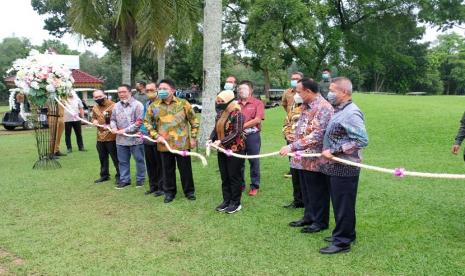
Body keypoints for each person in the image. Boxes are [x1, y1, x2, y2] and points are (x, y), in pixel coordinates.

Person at [319, 77, 368, 254]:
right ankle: (346, 233)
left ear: (345, 92)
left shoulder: (352, 113)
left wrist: (335, 150)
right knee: (341, 204)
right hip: (335, 166)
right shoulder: (339, 110)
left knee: (344, 204)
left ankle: (342, 242)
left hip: (345, 167)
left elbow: (362, 140)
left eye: (333, 90)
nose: (329, 93)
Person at [279, 78, 334, 235]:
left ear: (308, 91)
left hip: (315, 159)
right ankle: (309, 217)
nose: (296, 94)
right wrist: (291, 136)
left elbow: (317, 135)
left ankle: (320, 222)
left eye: (299, 91)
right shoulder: (304, 106)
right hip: (302, 158)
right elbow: (301, 127)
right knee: (307, 190)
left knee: (318, 191)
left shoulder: (323, 107)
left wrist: (292, 146)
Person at [144, 79, 199, 203]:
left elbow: (194, 121)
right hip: (164, 144)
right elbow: (147, 122)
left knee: (185, 169)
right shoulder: (154, 106)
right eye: (160, 88)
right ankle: (169, 192)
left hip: (182, 143)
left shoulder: (183, 103)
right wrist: (156, 136)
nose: (161, 91)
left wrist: (194, 138)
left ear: (172, 90)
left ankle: (189, 191)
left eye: (165, 88)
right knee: (167, 169)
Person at [210, 90, 246, 214]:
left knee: (234, 177)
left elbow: (237, 132)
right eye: (218, 101)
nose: (219, 104)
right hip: (222, 150)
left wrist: (221, 142)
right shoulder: (220, 114)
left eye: (222, 101)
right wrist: (211, 139)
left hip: (235, 150)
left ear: (230, 100)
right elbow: (216, 129)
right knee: (224, 176)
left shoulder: (238, 114)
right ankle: (226, 201)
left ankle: (235, 203)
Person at [110, 84, 146, 189]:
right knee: (122, 161)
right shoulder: (116, 105)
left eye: (124, 91)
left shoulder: (138, 105)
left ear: (130, 92)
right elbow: (112, 119)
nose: (121, 94)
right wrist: (114, 127)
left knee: (139, 160)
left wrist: (124, 130)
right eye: (119, 92)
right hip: (120, 140)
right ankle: (125, 180)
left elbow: (139, 122)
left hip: (136, 139)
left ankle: (140, 179)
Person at [238, 80, 265, 196]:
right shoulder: (235, 104)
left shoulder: (257, 103)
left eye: (243, 88)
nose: (240, 91)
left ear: (250, 90)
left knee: (254, 160)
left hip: (252, 136)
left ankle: (254, 185)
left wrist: (240, 126)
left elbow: (257, 120)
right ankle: (241, 184)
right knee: (239, 161)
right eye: (239, 89)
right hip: (238, 136)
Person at [140, 82, 164, 197]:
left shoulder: (162, 103)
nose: (149, 92)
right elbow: (145, 119)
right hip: (147, 137)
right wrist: (142, 131)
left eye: (152, 90)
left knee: (160, 163)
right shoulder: (147, 103)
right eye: (147, 90)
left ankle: (161, 187)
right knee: (150, 163)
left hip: (159, 138)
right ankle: (153, 186)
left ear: (157, 90)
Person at [281, 93, 305, 209]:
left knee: (305, 174)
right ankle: (298, 200)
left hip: (305, 147)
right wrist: (286, 134)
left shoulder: (313, 111)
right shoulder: (293, 110)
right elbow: (286, 125)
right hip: (292, 147)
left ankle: (308, 201)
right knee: (295, 173)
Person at [92, 90, 120, 184]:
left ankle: (120, 175)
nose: (98, 98)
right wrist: (94, 120)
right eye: (96, 97)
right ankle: (104, 175)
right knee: (102, 157)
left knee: (116, 158)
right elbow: (94, 117)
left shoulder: (114, 105)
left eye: (100, 96)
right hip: (99, 137)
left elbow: (118, 119)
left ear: (104, 95)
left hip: (112, 137)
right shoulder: (95, 107)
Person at [282, 72, 304, 178]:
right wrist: (291, 115)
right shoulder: (287, 92)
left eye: (296, 79)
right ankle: (292, 170)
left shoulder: (306, 94)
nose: (294, 80)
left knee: (301, 149)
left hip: (303, 125)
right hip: (291, 123)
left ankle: (300, 169)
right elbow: (284, 104)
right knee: (290, 146)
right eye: (292, 78)